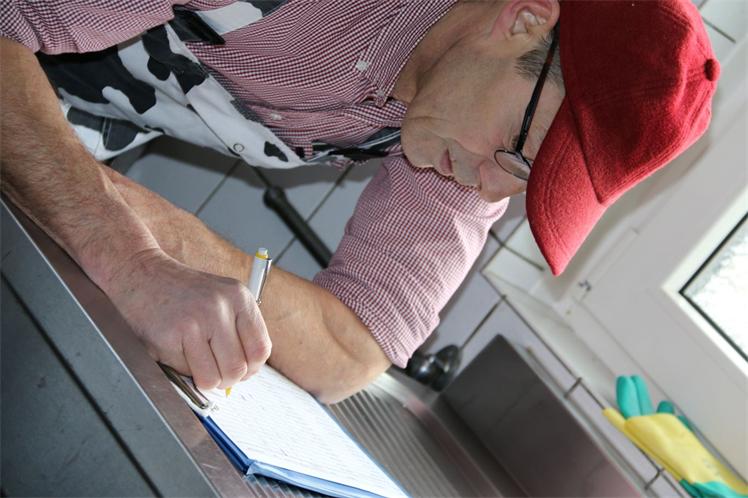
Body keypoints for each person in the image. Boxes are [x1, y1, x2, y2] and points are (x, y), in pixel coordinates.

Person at [0, 0, 718, 403]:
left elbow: (353, 347)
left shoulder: (462, 130)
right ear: (523, 20)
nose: (489, 189)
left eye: (528, 184)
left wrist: (174, 248)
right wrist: (128, 256)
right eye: (518, 153)